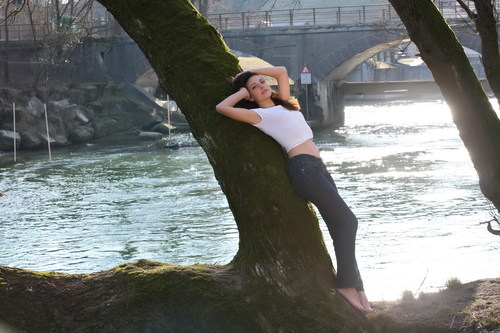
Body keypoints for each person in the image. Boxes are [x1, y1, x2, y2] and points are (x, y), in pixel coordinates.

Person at [216, 66, 372, 312]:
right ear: (250, 96)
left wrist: (250, 72)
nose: (262, 86)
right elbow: (222, 108)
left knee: (339, 227)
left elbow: (281, 71)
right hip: (304, 170)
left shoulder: (285, 104)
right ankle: (345, 285)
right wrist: (242, 89)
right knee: (348, 221)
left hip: (319, 168)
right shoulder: (259, 115)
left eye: (262, 82)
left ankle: (358, 287)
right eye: (255, 87)